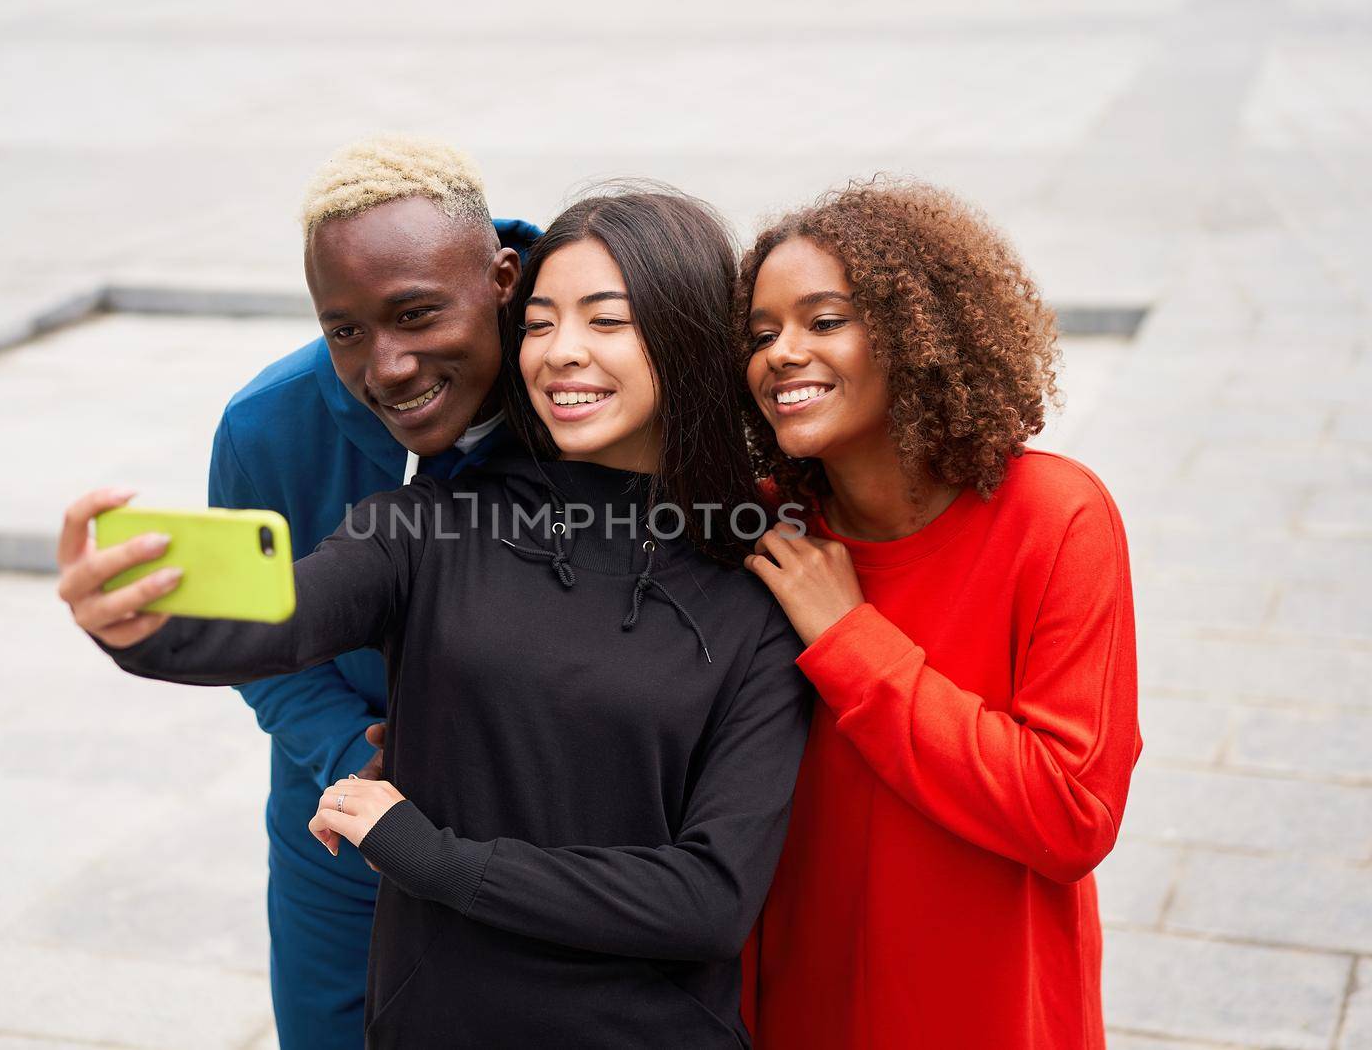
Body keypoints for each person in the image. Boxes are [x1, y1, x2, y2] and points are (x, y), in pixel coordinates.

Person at [62, 188, 812, 1047]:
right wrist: (141, 627)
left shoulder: (760, 581)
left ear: (683, 337)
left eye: (606, 322)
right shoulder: (421, 525)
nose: (562, 353)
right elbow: (279, 621)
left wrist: (431, 855)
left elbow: (707, 901)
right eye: (539, 323)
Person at [60, 136, 537, 1049]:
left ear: (504, 280)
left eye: (417, 312)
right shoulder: (267, 425)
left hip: (536, 829)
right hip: (342, 832)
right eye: (345, 329)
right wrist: (346, 754)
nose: (386, 366)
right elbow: (262, 641)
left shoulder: (588, 372)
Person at [734, 178, 1141, 1049]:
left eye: (825, 321)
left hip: (990, 1007)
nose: (781, 353)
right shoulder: (764, 528)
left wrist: (850, 640)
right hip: (798, 1007)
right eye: (761, 334)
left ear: (917, 333)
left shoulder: (1057, 517)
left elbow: (1071, 813)